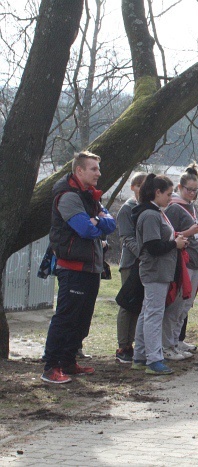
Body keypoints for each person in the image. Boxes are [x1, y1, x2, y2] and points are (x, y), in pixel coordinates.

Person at [42, 151, 116, 384]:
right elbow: (85, 230)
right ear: (79, 171)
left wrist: (97, 221)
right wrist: (95, 222)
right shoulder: (68, 197)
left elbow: (111, 223)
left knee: (82, 319)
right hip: (72, 267)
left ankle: (68, 361)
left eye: (98, 168)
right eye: (94, 169)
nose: (99, 173)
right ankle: (51, 367)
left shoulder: (90, 196)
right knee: (66, 317)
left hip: (91, 267)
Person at [131, 174, 190, 375]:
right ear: (156, 192)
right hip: (155, 271)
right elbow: (153, 246)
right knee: (154, 315)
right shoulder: (150, 215)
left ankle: (139, 356)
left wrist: (175, 240)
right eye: (168, 194)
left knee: (147, 313)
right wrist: (175, 243)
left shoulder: (156, 212)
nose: (170, 198)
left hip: (160, 270)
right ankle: (153, 359)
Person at [162, 163, 198, 361]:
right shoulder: (174, 208)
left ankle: (176, 340)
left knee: (185, 306)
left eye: (195, 190)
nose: (192, 193)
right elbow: (169, 235)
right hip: (182, 263)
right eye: (189, 190)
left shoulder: (192, 206)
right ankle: (166, 345)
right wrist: (190, 232)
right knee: (175, 305)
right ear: (180, 188)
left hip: (196, 262)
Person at [115, 172, 147, 363]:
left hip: (143, 264)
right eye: (140, 186)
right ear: (133, 187)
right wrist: (143, 253)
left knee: (138, 305)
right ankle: (122, 345)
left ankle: (131, 343)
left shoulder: (146, 208)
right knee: (127, 304)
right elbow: (126, 237)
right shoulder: (127, 209)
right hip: (130, 263)